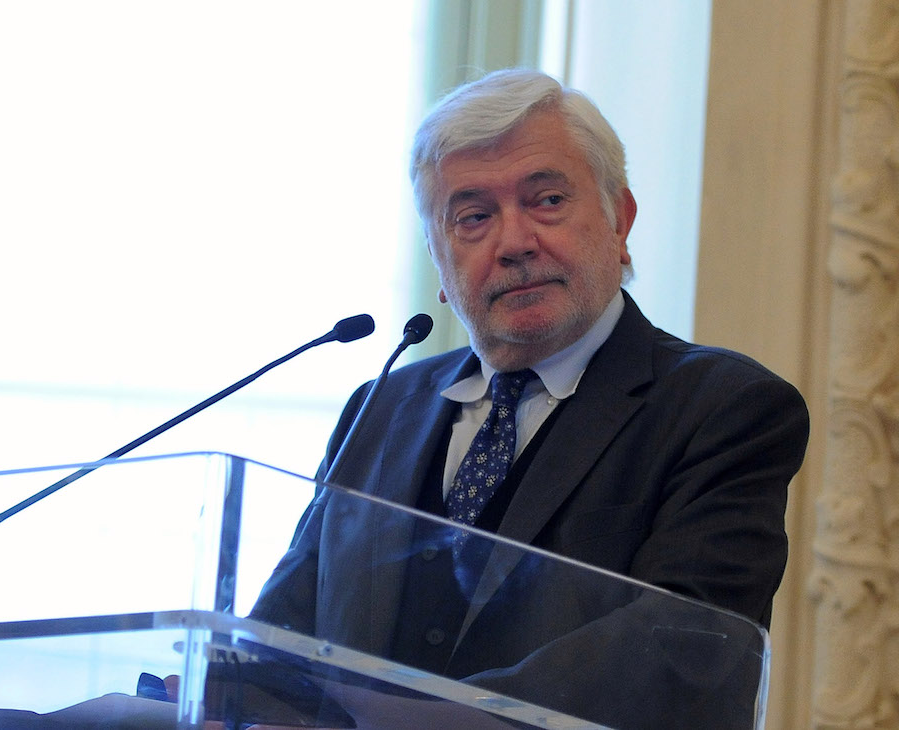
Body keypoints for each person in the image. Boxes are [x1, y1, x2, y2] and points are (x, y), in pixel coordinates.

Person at [250, 68, 809, 727]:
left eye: (546, 201)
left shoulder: (724, 408)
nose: (514, 243)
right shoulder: (379, 408)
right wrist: (219, 690)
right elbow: (282, 634)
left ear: (620, 220)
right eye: (474, 217)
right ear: (438, 257)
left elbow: (687, 650)